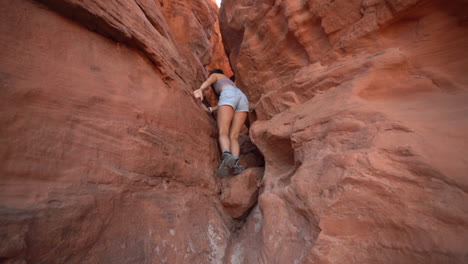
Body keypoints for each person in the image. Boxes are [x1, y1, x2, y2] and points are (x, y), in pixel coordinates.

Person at [193, 69, 249, 177]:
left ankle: (227, 156)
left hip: (229, 95)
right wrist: (212, 109)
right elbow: (227, 103)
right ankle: (236, 163)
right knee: (234, 136)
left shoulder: (216, 75)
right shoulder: (230, 83)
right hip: (242, 98)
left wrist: (200, 89)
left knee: (223, 132)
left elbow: (211, 81)